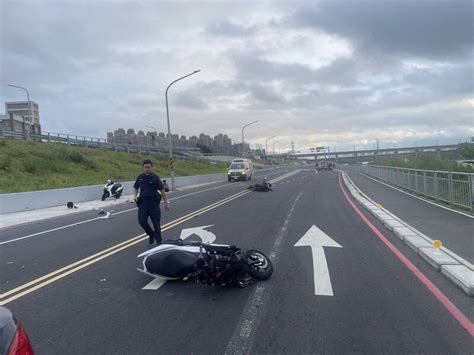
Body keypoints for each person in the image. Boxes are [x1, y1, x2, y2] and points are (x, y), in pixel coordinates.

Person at [133, 159, 170, 245]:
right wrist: (135, 196)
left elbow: (162, 191)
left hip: (153, 204)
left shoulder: (156, 178)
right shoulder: (140, 177)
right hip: (143, 204)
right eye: (145, 167)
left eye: (149, 167)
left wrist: (166, 203)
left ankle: (159, 241)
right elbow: (135, 188)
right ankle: (151, 234)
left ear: (152, 167)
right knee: (142, 221)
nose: (147, 169)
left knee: (156, 223)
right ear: (143, 168)